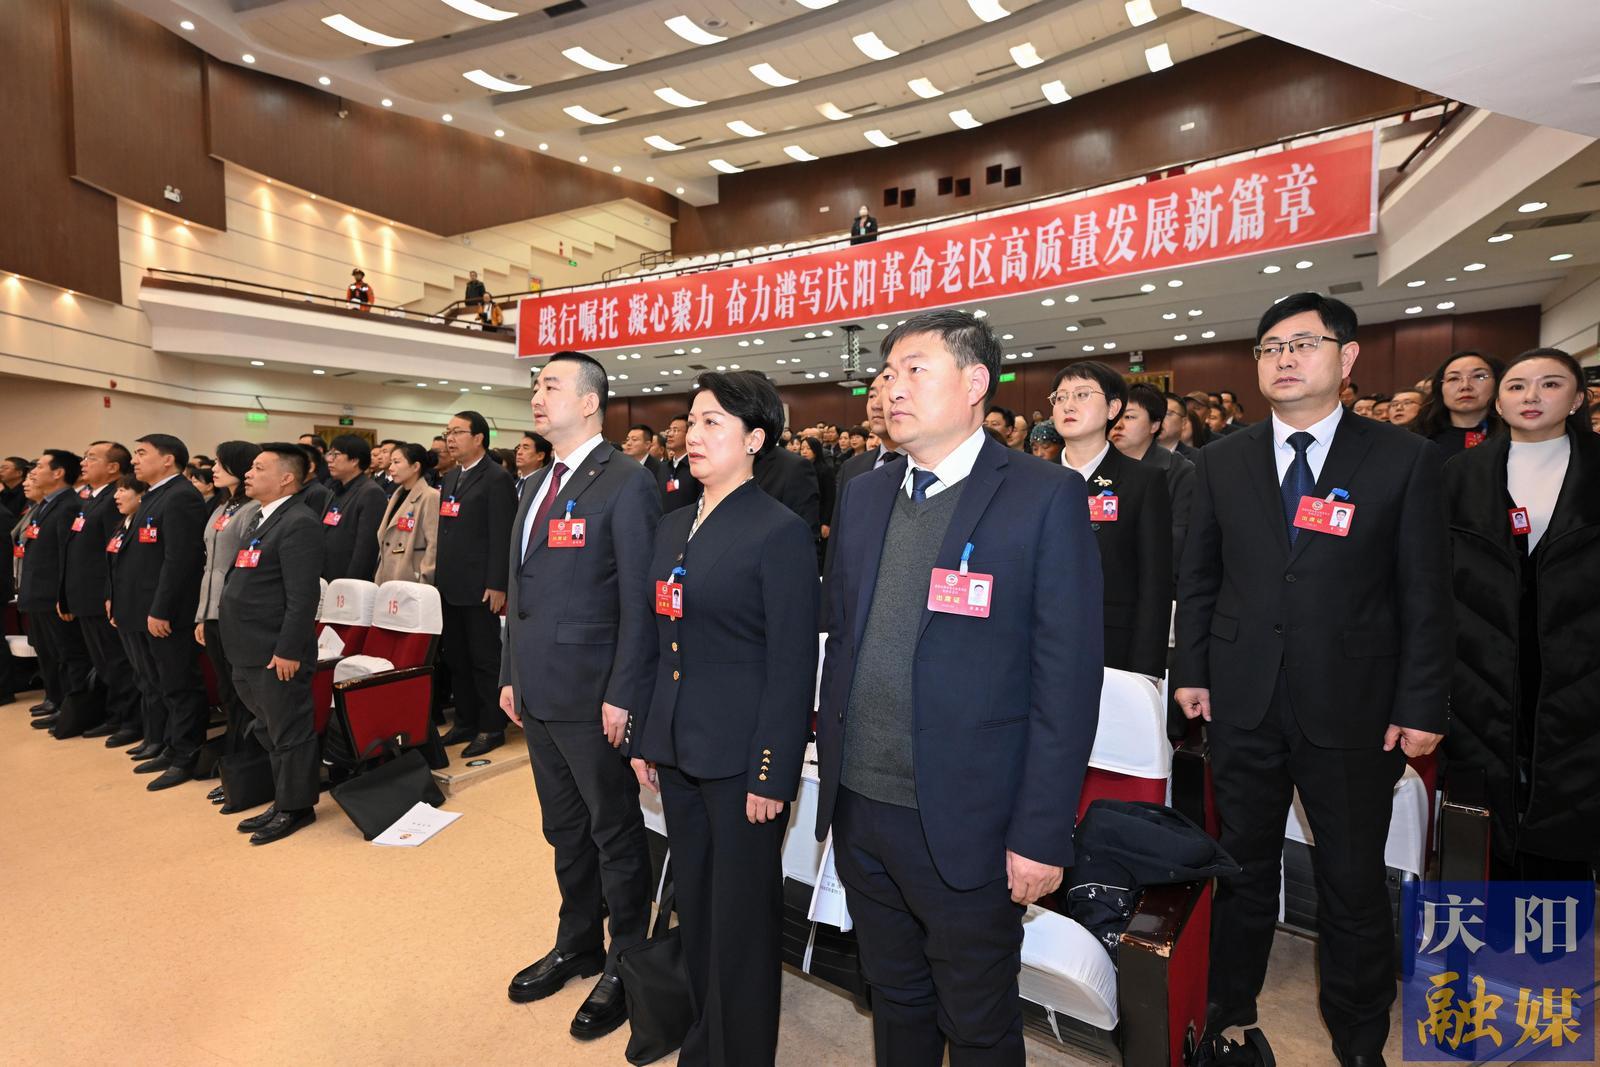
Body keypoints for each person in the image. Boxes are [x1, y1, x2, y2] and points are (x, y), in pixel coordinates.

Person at [1174, 292, 1451, 1067]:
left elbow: (1426, 593)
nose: (1284, 359)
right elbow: (1200, 576)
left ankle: (1360, 1037)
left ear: (1347, 356)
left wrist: (1422, 701)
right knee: (1242, 864)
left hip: (1356, 704)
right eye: (1270, 348)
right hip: (1244, 696)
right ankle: (1229, 1006)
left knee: (1352, 878)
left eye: (1302, 343)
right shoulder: (1221, 459)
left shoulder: (1403, 458)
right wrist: (1191, 669)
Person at [817, 309, 1101, 1065]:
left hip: (970, 816)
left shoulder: (1043, 495)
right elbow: (843, 640)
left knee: (977, 1019)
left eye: (915, 370)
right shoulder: (865, 492)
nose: (892, 388)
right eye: (887, 373)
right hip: (862, 804)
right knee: (894, 996)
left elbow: (1066, 682)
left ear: (976, 383)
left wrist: (1041, 832)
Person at [628, 371, 818, 1065]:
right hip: (679, 747)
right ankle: (705, 1040)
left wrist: (772, 772)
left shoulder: (778, 531)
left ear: (755, 439)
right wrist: (650, 735)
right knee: (700, 907)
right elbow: (660, 642)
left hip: (742, 760)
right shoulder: (674, 523)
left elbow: (792, 665)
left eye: (714, 422)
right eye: (693, 420)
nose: (694, 434)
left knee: (741, 921)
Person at [499, 351, 660, 1041]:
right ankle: (577, 941)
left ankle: (626, 958)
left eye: (551, 385)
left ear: (590, 402)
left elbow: (640, 600)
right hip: (537, 688)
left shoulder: (626, 481)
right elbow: (520, 588)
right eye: (536, 385)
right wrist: (509, 673)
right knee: (563, 828)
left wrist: (624, 691)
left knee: (613, 832)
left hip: (594, 695)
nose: (538, 396)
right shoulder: (537, 482)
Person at [1443, 348, 1598, 881]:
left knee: (1569, 811)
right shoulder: (1460, 474)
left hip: (1581, 668)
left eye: (1550, 384)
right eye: (1516, 386)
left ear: (1577, 399)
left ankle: (1551, 930)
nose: (1531, 396)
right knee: (1483, 820)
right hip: (1480, 667)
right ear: (1499, 402)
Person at [222, 444, 327, 845]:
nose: (248, 473)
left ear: (286, 478)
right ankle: (284, 796)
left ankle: (296, 807)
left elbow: (302, 597)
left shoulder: (299, 522)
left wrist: (288, 650)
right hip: (248, 646)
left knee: (289, 729)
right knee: (268, 726)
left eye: (258, 468)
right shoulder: (262, 517)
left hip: (275, 649)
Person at [1054, 363, 1173, 679]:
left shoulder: (1143, 482)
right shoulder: (1030, 481)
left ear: (1113, 408)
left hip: (1112, 650)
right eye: (1060, 397)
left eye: (1082, 395)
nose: (1068, 405)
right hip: (1039, 649)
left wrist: (1146, 670)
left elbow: (1155, 584)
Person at [118, 434, 211, 789]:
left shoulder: (181, 497)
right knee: (161, 683)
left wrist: (161, 609)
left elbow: (179, 560)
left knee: (179, 684)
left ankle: (187, 755)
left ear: (168, 459)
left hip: (169, 612)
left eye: (142, 453)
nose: (135, 460)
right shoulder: (155, 495)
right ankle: (172, 746)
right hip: (146, 607)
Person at [436, 410, 517, 757]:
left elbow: (503, 535)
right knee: (456, 657)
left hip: (482, 587)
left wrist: (498, 584)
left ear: (479, 438)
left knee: (484, 659)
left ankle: (491, 726)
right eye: (448, 432)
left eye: (458, 432)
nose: (450, 439)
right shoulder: (451, 477)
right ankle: (466, 721)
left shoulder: (496, 478)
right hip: (450, 585)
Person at [193, 441, 264, 803]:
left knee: (242, 695)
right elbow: (210, 565)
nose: (213, 469)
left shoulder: (253, 510)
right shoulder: (223, 505)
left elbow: (244, 567)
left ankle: (245, 768)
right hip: (212, 609)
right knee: (226, 693)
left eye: (221, 464)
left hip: (235, 611)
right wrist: (202, 615)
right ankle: (232, 765)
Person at [64, 442, 141, 743]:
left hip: (102, 596)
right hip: (86, 596)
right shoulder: (92, 498)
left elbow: (115, 554)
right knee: (103, 663)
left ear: (113, 467)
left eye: (92, 458)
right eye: (84, 457)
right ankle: (115, 714)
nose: (83, 462)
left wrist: (111, 595)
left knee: (117, 662)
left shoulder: (113, 500)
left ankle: (129, 720)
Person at [18, 450, 91, 735]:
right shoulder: (45, 505)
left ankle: (70, 709)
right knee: (47, 652)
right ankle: (55, 699)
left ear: (58, 473)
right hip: (38, 593)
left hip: (53, 596)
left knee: (66, 654)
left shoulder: (68, 505)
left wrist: (64, 596)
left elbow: (67, 557)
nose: (33, 472)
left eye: (39, 466)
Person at [1114, 381, 1195, 579]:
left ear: (1155, 425)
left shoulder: (1181, 472)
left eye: (1129, 416)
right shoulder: (1101, 468)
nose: (1118, 424)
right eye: (1115, 416)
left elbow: (1178, 540)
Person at [105, 474, 151, 747]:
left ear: (141, 494)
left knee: (152, 678)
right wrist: (110, 597)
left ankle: (157, 737)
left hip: (142, 608)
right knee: (141, 675)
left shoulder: (145, 523)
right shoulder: (122, 524)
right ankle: (151, 735)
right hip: (122, 606)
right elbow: (112, 567)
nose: (116, 496)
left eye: (123, 490)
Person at [318, 435, 388, 582]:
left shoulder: (371, 493)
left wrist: (350, 584)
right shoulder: (334, 490)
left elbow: (366, 549)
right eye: (329, 454)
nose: (329, 459)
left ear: (354, 460)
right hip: (326, 576)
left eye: (336, 454)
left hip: (348, 580)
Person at [374, 443, 440, 586]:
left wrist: (425, 578)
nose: (391, 468)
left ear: (415, 466)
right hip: (388, 575)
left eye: (396, 462)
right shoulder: (397, 494)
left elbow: (433, 544)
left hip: (411, 579)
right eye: (391, 462)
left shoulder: (430, 496)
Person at [1418, 350, 1504, 457]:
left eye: (1479, 376)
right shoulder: (1418, 439)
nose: (1465, 386)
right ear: (1440, 388)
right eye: (1453, 378)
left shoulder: (1514, 437)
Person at [797, 435, 835, 569]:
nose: (804, 451)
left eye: (808, 448)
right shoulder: (798, 469)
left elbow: (830, 497)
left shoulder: (825, 470)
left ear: (816, 450)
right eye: (802, 448)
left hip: (820, 516)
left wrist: (826, 522)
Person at [657, 413, 701, 513]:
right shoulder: (663, 468)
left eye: (675, 430)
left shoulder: (696, 466)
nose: (669, 434)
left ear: (688, 434)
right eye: (670, 430)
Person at [512, 430, 551, 498]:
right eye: (519, 448)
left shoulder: (545, 486)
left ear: (540, 456)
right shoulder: (514, 483)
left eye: (525, 448)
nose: (519, 452)